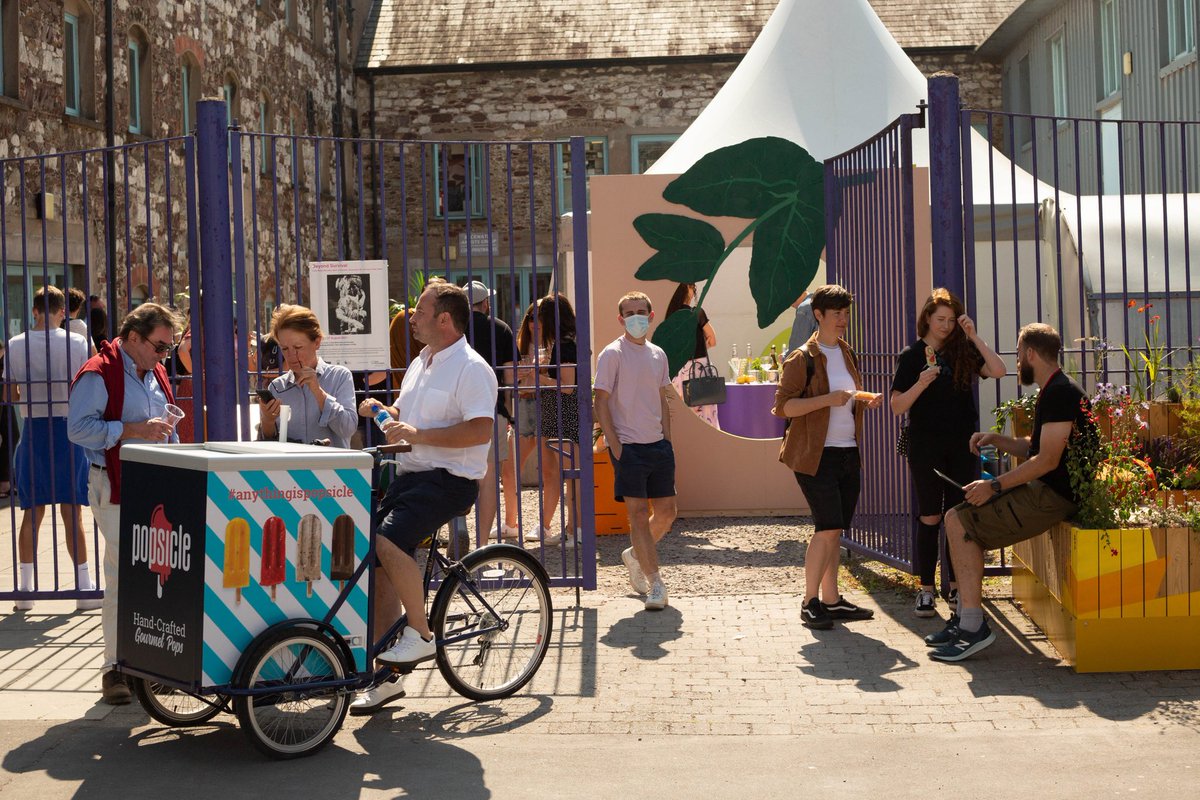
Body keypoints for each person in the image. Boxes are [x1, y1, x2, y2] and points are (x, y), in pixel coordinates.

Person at [350, 280, 497, 715]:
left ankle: (421, 633)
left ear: (444, 319)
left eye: (419, 311)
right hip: (412, 476)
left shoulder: (472, 369)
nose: (411, 317)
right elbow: (407, 415)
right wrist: (383, 411)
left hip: (449, 480)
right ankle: (387, 677)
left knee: (388, 541)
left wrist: (418, 434)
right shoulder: (421, 360)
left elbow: (480, 430)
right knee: (375, 560)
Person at [927, 323, 1093, 662]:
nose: (1017, 362)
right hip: (1046, 491)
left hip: (1052, 497)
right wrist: (997, 439)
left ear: (1031, 354)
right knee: (958, 518)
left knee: (959, 522)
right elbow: (1036, 448)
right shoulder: (1055, 389)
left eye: (1018, 354)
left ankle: (972, 625)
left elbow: (1047, 461)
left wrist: (994, 485)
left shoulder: (1060, 392)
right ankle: (967, 620)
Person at [68, 302, 184, 705]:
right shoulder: (98, 372)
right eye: (160, 346)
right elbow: (78, 429)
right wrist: (131, 429)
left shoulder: (155, 372)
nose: (164, 355)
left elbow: (164, 430)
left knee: (159, 574)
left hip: (155, 484)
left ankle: (150, 665)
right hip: (115, 483)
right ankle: (114, 668)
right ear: (133, 337)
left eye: (169, 348)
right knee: (124, 574)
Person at [772, 284, 883, 630]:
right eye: (836, 313)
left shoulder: (846, 351)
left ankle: (831, 600)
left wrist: (864, 398)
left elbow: (845, 395)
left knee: (835, 530)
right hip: (813, 455)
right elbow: (783, 407)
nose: (843, 319)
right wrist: (826, 400)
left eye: (846, 313)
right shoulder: (801, 357)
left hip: (847, 451)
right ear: (817, 315)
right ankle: (809, 601)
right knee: (827, 528)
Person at [889, 289, 1005, 618]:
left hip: (962, 444)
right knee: (930, 516)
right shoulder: (912, 355)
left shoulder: (963, 350)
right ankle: (926, 589)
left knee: (958, 516)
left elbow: (998, 370)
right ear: (927, 318)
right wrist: (921, 383)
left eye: (951, 320)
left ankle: (956, 588)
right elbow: (897, 405)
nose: (945, 326)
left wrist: (974, 336)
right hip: (925, 445)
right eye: (940, 319)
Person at [7, 286, 96, 614]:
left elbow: (11, 395)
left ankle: (25, 591)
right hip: (69, 430)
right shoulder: (78, 343)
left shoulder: (16, 344)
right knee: (73, 512)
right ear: (63, 312)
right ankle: (84, 588)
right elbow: (88, 386)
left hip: (34, 429)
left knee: (32, 512)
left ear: (34, 311)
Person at [594, 290, 677, 611]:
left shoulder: (658, 354)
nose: (636, 318)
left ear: (651, 316)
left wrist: (667, 439)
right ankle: (655, 583)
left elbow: (662, 398)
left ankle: (634, 554)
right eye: (629, 313)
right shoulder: (612, 354)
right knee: (638, 515)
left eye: (641, 312)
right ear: (620, 319)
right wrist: (615, 445)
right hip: (628, 448)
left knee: (667, 513)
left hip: (658, 446)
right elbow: (601, 400)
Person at [462, 280, 517, 544]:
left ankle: (458, 529)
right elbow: (509, 378)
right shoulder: (501, 328)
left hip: (457, 410)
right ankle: (482, 543)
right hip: (491, 409)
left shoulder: (454, 328)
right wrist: (507, 412)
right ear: (486, 303)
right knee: (490, 477)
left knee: (454, 472)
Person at [257, 304, 357, 448]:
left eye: (298, 347)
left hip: (330, 462)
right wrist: (267, 421)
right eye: (284, 349)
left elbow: (347, 429)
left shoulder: (339, 376)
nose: (291, 355)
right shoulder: (277, 387)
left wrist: (318, 392)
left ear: (317, 342)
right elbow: (269, 445)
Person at [529, 293, 580, 546]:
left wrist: (539, 378)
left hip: (565, 413)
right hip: (557, 412)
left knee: (572, 474)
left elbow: (568, 386)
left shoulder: (565, 345)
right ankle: (570, 528)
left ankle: (576, 529)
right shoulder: (564, 342)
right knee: (565, 473)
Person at [666, 282, 721, 430]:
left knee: (684, 419)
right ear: (687, 288)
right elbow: (713, 340)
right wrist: (701, 345)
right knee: (707, 418)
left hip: (678, 372)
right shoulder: (697, 313)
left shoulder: (669, 316)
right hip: (699, 370)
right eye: (693, 287)